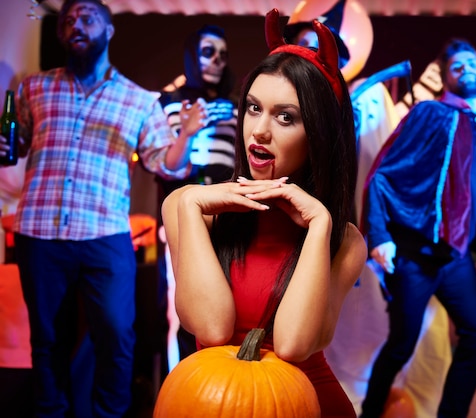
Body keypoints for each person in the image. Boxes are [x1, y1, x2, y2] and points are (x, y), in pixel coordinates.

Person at [161, 8, 367, 418]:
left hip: (304, 404)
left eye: (285, 117)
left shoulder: (345, 241)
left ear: (319, 136)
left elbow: (291, 345)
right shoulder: (187, 208)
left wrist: (320, 225)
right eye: (253, 108)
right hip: (212, 400)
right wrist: (191, 202)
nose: (259, 131)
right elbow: (212, 329)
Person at [0, 0, 195, 415]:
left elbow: (166, 164)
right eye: (69, 19)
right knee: (48, 339)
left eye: (87, 17)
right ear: (60, 34)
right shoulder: (34, 87)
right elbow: (15, 145)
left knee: (116, 335)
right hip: (40, 232)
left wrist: (187, 137)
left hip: (104, 235)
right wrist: (6, 144)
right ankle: (50, 412)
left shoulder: (139, 100)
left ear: (108, 31)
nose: (76, 24)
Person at [360, 38, 476, 418]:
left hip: (455, 259)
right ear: (445, 79)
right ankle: (370, 414)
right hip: (415, 255)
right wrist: (380, 236)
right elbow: (381, 175)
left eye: (473, 64)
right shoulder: (430, 114)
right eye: (457, 67)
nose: (467, 70)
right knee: (401, 345)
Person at [156, 24, 237, 372]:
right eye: (208, 51)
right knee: (186, 308)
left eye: (223, 54)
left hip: (227, 213)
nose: (217, 60)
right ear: (192, 54)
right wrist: (187, 132)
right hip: (183, 213)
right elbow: (166, 166)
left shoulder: (235, 106)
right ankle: (186, 389)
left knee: (228, 302)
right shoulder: (168, 103)